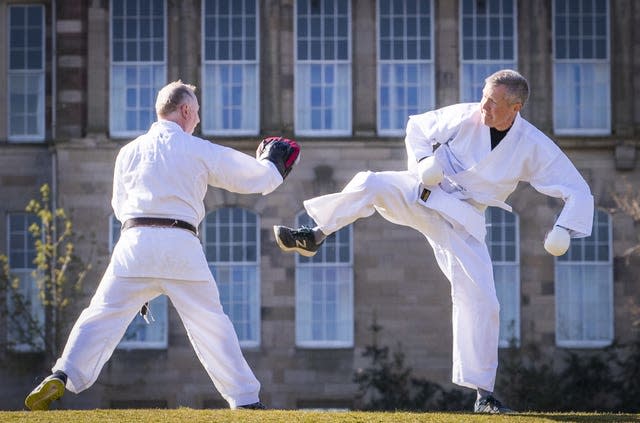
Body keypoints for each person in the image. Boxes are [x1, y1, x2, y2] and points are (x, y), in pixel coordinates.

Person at [273, 69, 594, 413]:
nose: (483, 107)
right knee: (371, 183)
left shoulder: (533, 146)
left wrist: (563, 228)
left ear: (515, 108)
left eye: (492, 103)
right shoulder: (466, 115)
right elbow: (418, 127)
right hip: (424, 191)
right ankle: (314, 235)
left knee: (484, 301)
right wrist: (425, 161)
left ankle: (483, 394)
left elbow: (577, 188)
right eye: (483, 97)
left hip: (462, 221)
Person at [25, 80, 300, 411]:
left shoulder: (128, 152)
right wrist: (272, 165)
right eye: (196, 112)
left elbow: (118, 206)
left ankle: (62, 374)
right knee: (211, 323)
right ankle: (245, 400)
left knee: (100, 314)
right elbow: (254, 179)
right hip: (180, 242)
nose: (197, 120)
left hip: (134, 243)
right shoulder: (196, 148)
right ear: (185, 110)